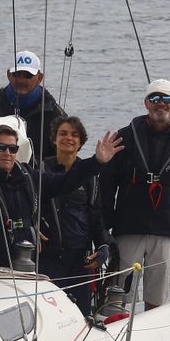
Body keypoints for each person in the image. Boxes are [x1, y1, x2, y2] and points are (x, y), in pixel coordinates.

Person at [0, 124, 123, 274]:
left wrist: (96, 162)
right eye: (0, 148)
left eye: (12, 149)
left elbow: (63, 182)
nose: (7, 153)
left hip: (22, 263)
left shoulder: (25, 175)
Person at [100, 79, 170, 311]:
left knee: (157, 300)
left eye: (167, 98)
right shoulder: (124, 139)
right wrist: (103, 232)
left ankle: (149, 331)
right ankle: (116, 327)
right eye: (155, 98)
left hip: (166, 230)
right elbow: (105, 189)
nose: (161, 103)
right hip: (128, 229)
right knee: (118, 295)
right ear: (146, 103)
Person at [37, 116, 112, 318]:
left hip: (79, 259)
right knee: (48, 315)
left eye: (74, 135)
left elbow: (96, 216)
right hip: (47, 258)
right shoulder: (39, 171)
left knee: (81, 315)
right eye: (63, 133)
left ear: (80, 142)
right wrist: (31, 227)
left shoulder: (90, 176)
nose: (68, 138)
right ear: (54, 139)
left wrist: (103, 245)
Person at [0, 51, 66, 163]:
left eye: (27, 75)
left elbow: (64, 154)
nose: (21, 80)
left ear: (40, 77)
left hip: (37, 171)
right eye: (17, 74)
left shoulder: (53, 113)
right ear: (9, 75)